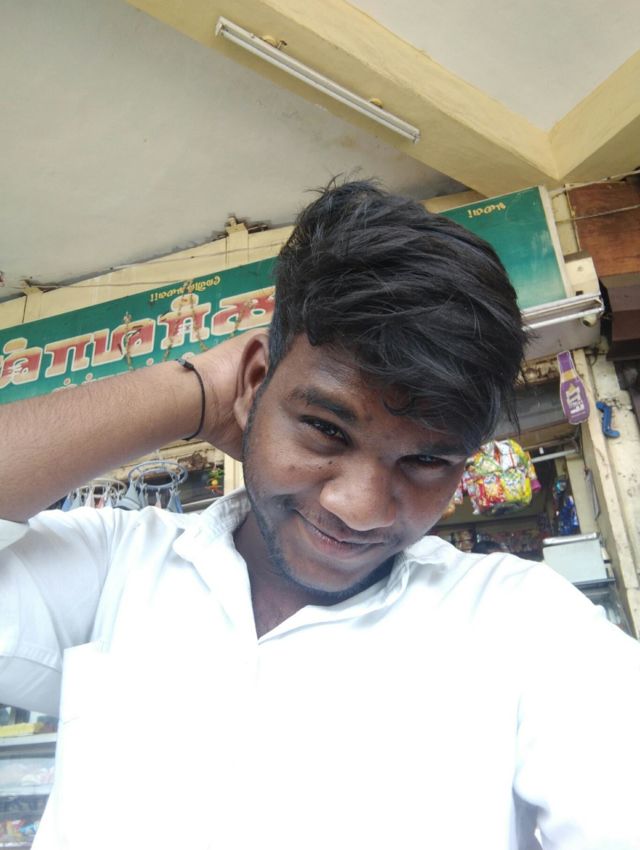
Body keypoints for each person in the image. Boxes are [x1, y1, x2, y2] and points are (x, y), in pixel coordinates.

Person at [0, 180, 638, 850]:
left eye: (426, 461)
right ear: (255, 384)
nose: (358, 509)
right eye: (326, 429)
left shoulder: (525, 625)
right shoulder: (119, 565)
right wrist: (196, 392)